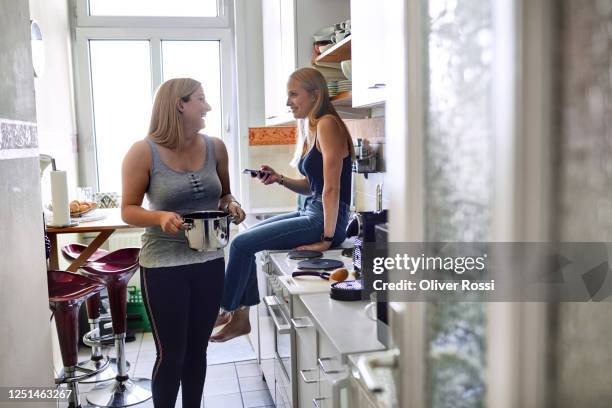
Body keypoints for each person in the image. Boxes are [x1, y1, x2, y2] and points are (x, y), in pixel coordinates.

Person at [121, 78, 245, 407]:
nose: (208, 107)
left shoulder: (215, 147)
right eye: (201, 100)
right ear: (180, 105)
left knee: (197, 350)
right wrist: (160, 217)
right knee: (172, 353)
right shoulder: (142, 152)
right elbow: (128, 210)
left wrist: (232, 206)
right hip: (163, 266)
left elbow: (223, 195)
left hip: (209, 262)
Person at [211, 67, 354, 342]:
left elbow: (333, 188)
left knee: (241, 245)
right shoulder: (313, 127)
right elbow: (314, 185)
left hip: (323, 219)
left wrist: (326, 239)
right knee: (245, 240)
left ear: (315, 94)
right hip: (311, 210)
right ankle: (240, 318)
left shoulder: (327, 124)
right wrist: (279, 179)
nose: (288, 102)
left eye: (293, 94)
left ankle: (227, 310)